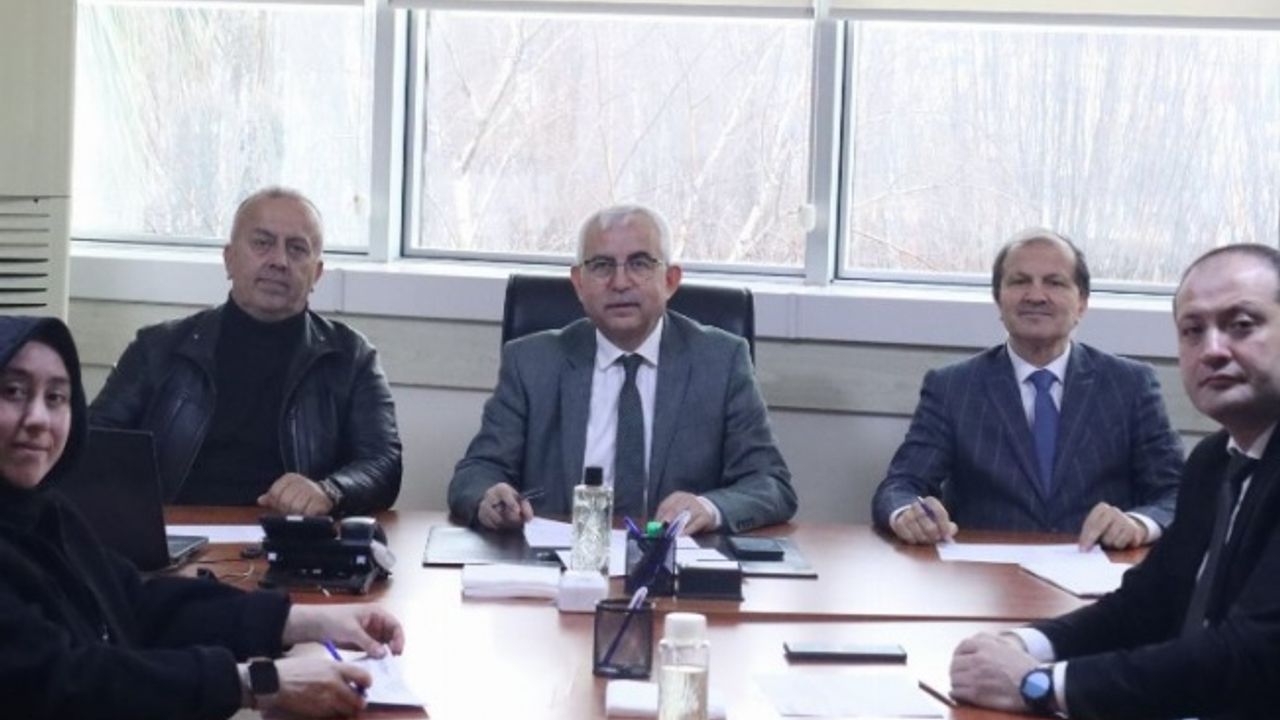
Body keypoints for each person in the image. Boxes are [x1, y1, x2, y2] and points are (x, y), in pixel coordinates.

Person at [0, 315, 406, 718]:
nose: (38, 419)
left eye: (56, 397)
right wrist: (257, 682)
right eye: (13, 392)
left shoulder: (45, 512)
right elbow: (65, 682)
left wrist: (306, 621)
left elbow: (136, 605)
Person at [950, 244, 1280, 719]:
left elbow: (1253, 654)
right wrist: (1024, 643)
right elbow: (1147, 604)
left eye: (1242, 325)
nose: (1212, 350)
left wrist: (1040, 684)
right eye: (1192, 331)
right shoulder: (1214, 461)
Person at [448, 204, 796, 535]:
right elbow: (477, 472)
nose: (620, 282)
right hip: (559, 562)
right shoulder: (531, 362)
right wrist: (488, 498)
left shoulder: (721, 361)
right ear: (579, 283)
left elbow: (771, 484)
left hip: (675, 561)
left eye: (639, 264)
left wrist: (708, 507)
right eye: (601, 266)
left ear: (670, 280)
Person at [89, 187, 402, 516]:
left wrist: (330, 491)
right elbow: (92, 443)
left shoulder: (352, 359)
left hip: (295, 535)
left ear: (317, 273)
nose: (279, 261)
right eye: (262, 243)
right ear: (229, 259)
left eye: (297, 249)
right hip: (176, 532)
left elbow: (384, 463)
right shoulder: (157, 349)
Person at [872, 229, 1183, 549]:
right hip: (984, 571)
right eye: (1020, 281)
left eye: (1055, 282)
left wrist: (1138, 524)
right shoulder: (952, 387)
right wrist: (908, 514)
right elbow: (901, 485)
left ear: (1082, 303)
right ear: (998, 299)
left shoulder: (1130, 385)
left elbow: (1175, 493)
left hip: (1099, 565)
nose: (1036, 296)